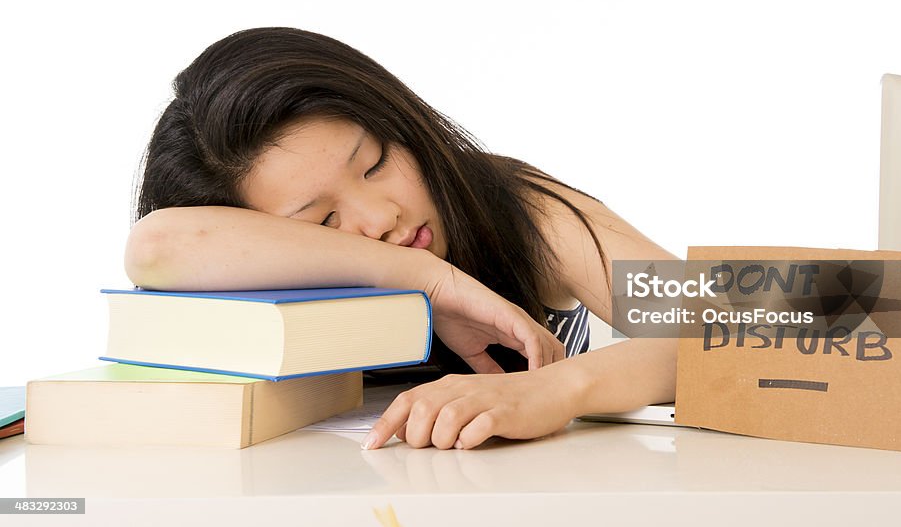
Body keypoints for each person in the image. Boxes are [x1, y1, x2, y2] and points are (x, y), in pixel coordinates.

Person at [126, 27, 679, 451]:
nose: (381, 216)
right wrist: (428, 281)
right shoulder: (225, 256)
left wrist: (557, 389)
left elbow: (747, 322)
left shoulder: (520, 209)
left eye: (375, 163)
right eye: (323, 223)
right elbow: (155, 247)